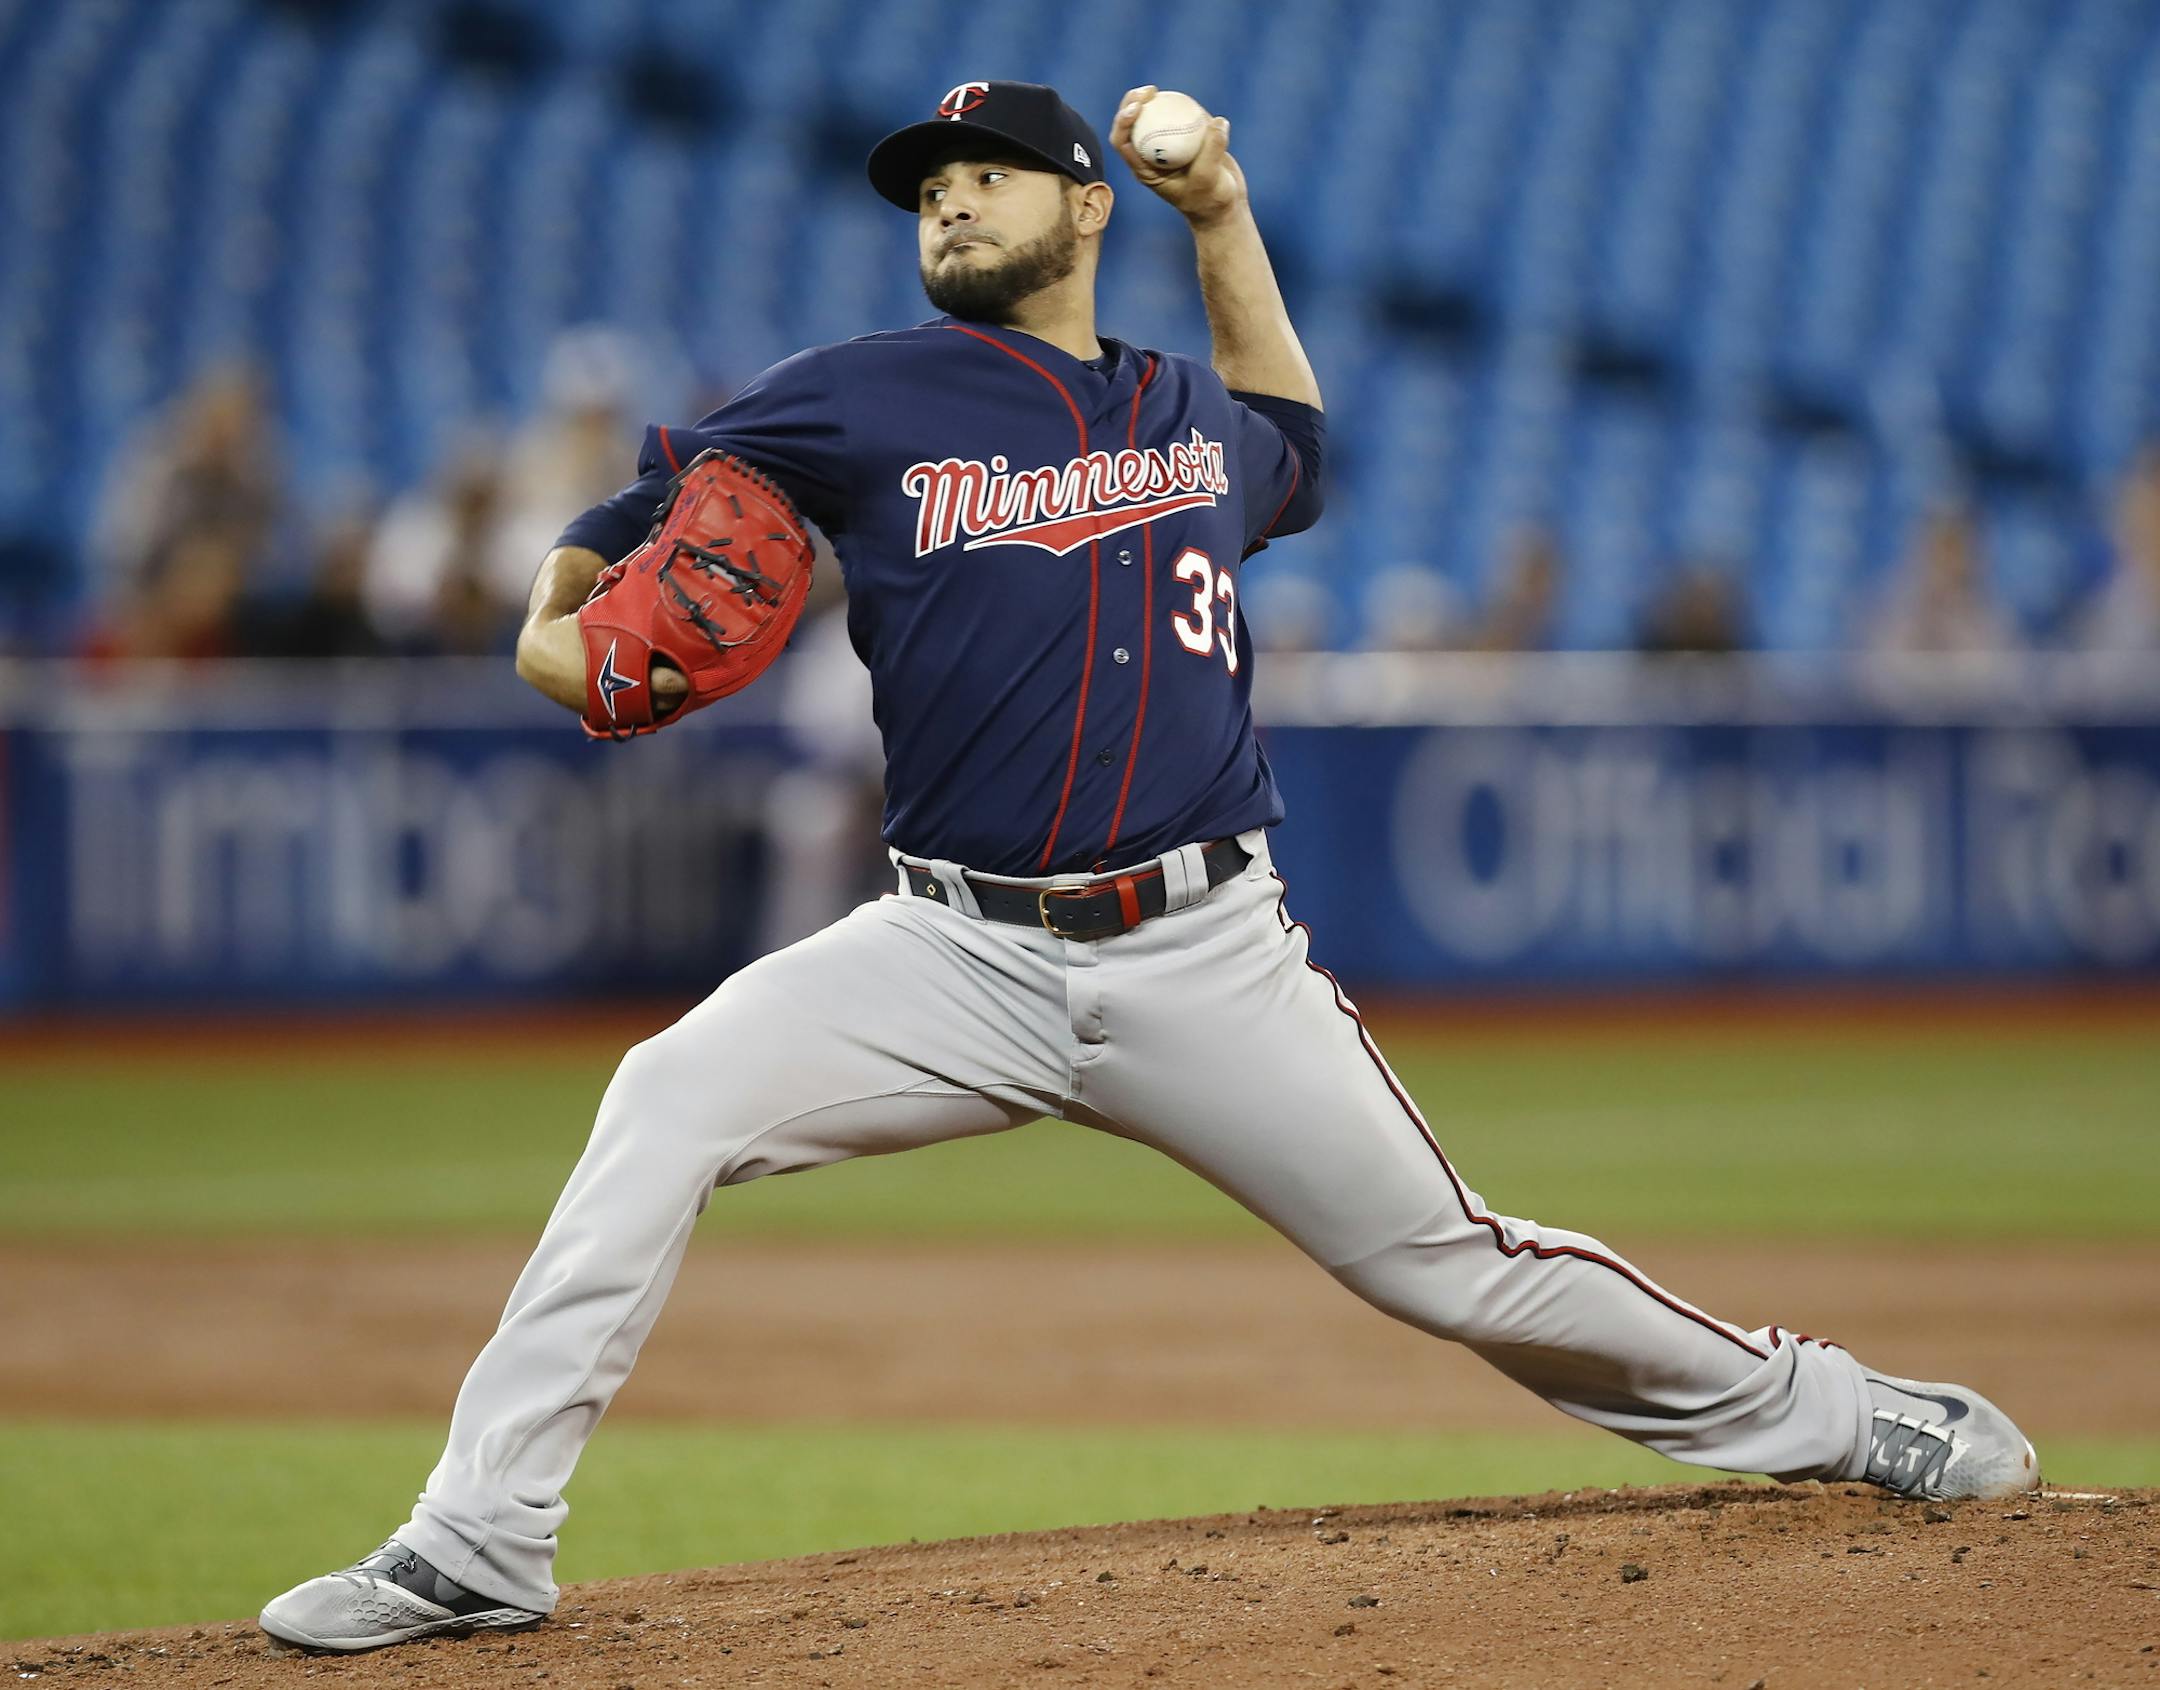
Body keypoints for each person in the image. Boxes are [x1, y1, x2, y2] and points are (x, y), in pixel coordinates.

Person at [259, 80, 2039, 1656]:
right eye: (928, 185)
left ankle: (1840, 1411)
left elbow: (1306, 451)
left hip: (1206, 955)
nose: (947, 200)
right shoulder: (858, 396)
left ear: (1083, 206)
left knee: (1458, 1266)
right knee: (665, 1096)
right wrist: (563, 606)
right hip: (946, 953)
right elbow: (658, 499)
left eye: (988, 173)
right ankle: (482, 1537)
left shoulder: (1192, 409)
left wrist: (1227, 212)